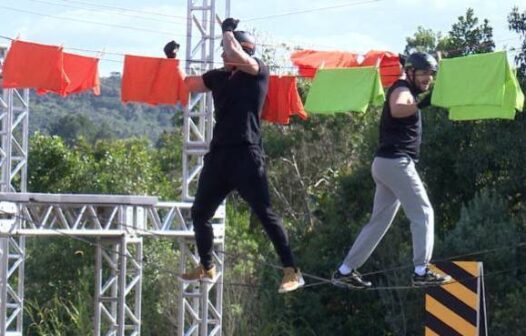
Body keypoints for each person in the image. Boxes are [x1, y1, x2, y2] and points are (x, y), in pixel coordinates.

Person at [164, 18, 304, 293]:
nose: (223, 55)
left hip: (246, 153)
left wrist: (227, 30)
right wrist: (172, 60)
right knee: (200, 212)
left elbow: (237, 53)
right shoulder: (218, 77)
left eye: (226, 50)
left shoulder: (257, 71)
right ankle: (207, 266)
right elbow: (189, 83)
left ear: (242, 50)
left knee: (265, 213)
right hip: (219, 155)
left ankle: (292, 270)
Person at [332, 52, 451, 288]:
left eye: (431, 74)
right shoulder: (402, 88)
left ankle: (345, 270)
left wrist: (432, 60)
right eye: (424, 73)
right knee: (423, 212)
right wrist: (422, 103)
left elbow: (406, 92)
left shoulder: (406, 85)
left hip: (385, 164)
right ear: (410, 73)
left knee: (379, 222)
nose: (428, 78)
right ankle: (420, 271)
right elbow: (398, 108)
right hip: (396, 163)